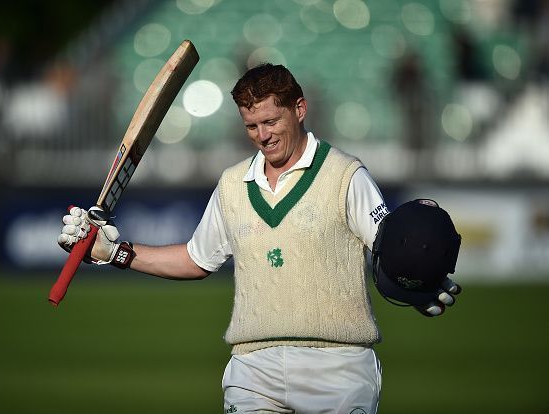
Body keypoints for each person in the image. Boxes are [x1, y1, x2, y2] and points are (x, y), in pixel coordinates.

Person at [58, 63, 461, 413]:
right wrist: (114, 252)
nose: (262, 135)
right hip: (253, 367)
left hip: (338, 366)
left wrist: (417, 285)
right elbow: (197, 260)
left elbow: (390, 248)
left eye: (270, 122)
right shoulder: (233, 184)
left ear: (299, 109)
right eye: (251, 126)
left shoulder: (345, 175)